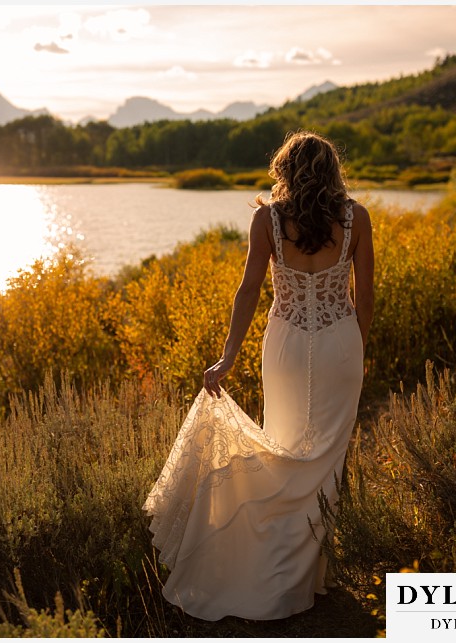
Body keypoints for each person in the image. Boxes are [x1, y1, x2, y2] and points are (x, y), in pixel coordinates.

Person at [143, 131, 374, 621]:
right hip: (340, 343)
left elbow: (248, 291)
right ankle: (308, 577)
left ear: (285, 171)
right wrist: (357, 348)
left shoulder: (267, 219)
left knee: (285, 449)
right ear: (333, 170)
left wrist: (228, 356)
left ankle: (289, 570)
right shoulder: (357, 218)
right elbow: (366, 296)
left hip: (287, 342)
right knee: (326, 461)